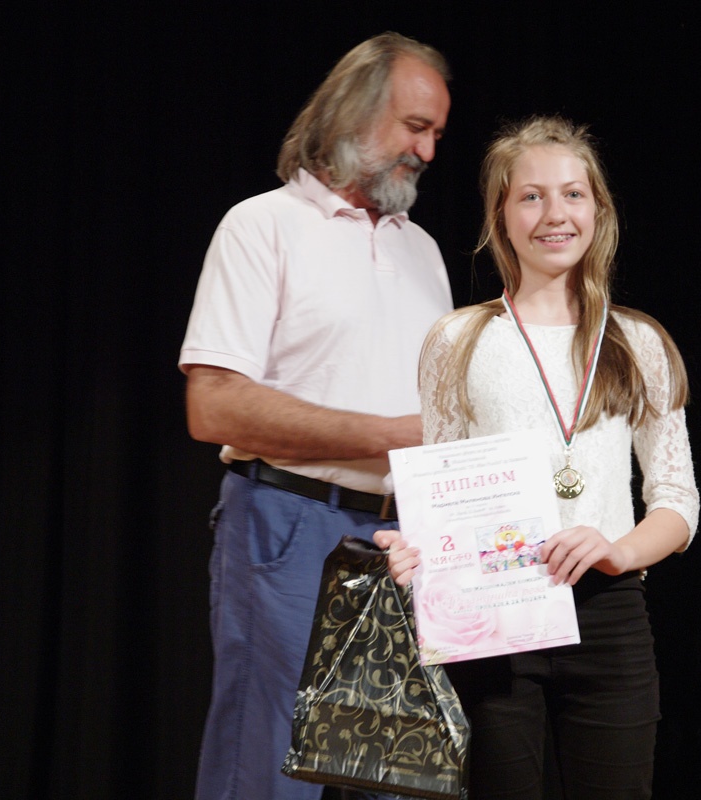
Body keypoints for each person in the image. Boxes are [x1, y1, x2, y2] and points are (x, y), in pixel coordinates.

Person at [374, 116, 700, 799]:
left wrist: (618, 551)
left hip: (608, 611)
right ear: (501, 215)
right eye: (531, 196)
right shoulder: (458, 339)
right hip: (493, 611)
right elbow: (441, 488)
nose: (555, 214)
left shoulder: (638, 341)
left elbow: (677, 503)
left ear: (598, 210)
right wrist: (416, 547)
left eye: (573, 194)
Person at [178, 32, 453, 800]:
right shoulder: (261, 225)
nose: (428, 151)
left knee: (393, 782)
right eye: (415, 127)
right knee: (266, 772)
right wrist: (390, 436)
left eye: (437, 133)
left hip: (403, 544)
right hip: (289, 523)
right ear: (354, 112)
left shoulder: (424, 252)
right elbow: (213, 404)